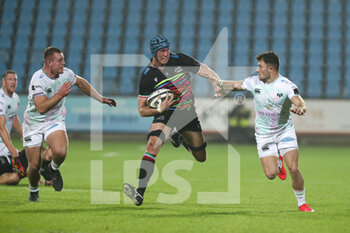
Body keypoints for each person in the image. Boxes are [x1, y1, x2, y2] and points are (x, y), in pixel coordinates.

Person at [123, 35, 222, 206]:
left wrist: (216, 80)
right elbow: (142, 109)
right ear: (154, 52)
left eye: (167, 49)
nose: (166, 54)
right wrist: (158, 110)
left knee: (201, 157)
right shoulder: (148, 75)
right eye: (162, 51)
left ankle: (180, 138)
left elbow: (201, 68)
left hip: (187, 113)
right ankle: (139, 193)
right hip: (166, 113)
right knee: (153, 144)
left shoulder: (179, 59)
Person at [217, 51, 314, 212]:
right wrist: (218, 82)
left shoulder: (286, 85)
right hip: (264, 134)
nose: (257, 70)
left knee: (294, 168)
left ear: (271, 69)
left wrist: (301, 108)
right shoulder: (254, 82)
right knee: (271, 174)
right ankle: (278, 161)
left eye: (260, 66)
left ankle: (301, 203)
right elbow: (235, 85)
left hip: (284, 131)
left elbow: (299, 101)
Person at [23, 47, 116, 202]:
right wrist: (60, 95)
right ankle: (34, 191)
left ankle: (53, 169)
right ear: (49, 62)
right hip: (33, 123)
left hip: (54, 120)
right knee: (33, 166)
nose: (63, 63)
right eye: (60, 60)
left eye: (63, 60)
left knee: (60, 151)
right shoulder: (38, 79)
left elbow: (80, 82)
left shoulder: (66, 73)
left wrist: (100, 98)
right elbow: (41, 108)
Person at [0, 70, 52, 185]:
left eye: (15, 79)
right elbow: (1, 128)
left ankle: (36, 174)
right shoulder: (1, 99)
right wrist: (12, 149)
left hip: (3, 146)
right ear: (3, 82)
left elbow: (13, 117)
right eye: (10, 79)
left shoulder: (15, 98)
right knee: (14, 175)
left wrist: (23, 134)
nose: (13, 82)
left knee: (27, 156)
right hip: (3, 146)